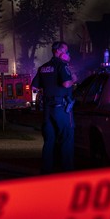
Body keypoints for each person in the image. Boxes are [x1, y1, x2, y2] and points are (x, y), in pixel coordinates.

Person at [31, 40, 75, 174]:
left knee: (49, 140)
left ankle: (46, 172)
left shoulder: (43, 67)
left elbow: (34, 87)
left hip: (47, 109)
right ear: (60, 52)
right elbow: (67, 83)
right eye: (66, 51)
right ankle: (67, 172)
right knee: (66, 138)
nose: (68, 53)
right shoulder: (62, 65)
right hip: (62, 108)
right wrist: (74, 78)